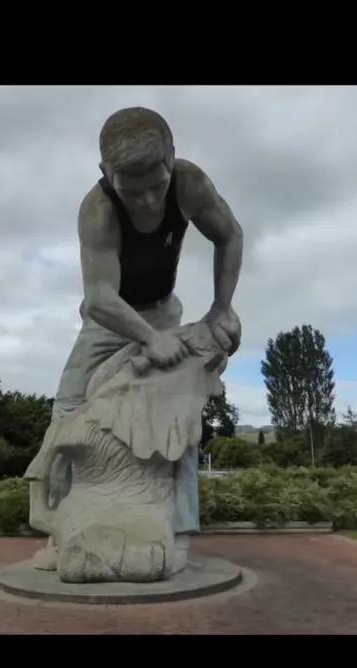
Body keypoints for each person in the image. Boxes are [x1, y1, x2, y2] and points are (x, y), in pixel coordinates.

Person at [32, 107, 245, 556]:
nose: (147, 201)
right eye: (133, 191)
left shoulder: (191, 184)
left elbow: (230, 235)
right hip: (109, 316)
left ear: (172, 158)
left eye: (156, 187)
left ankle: (179, 528)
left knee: (182, 413)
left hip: (164, 309)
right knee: (69, 405)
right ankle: (56, 530)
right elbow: (99, 298)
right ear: (106, 174)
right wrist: (149, 339)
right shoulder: (98, 209)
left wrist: (222, 307)